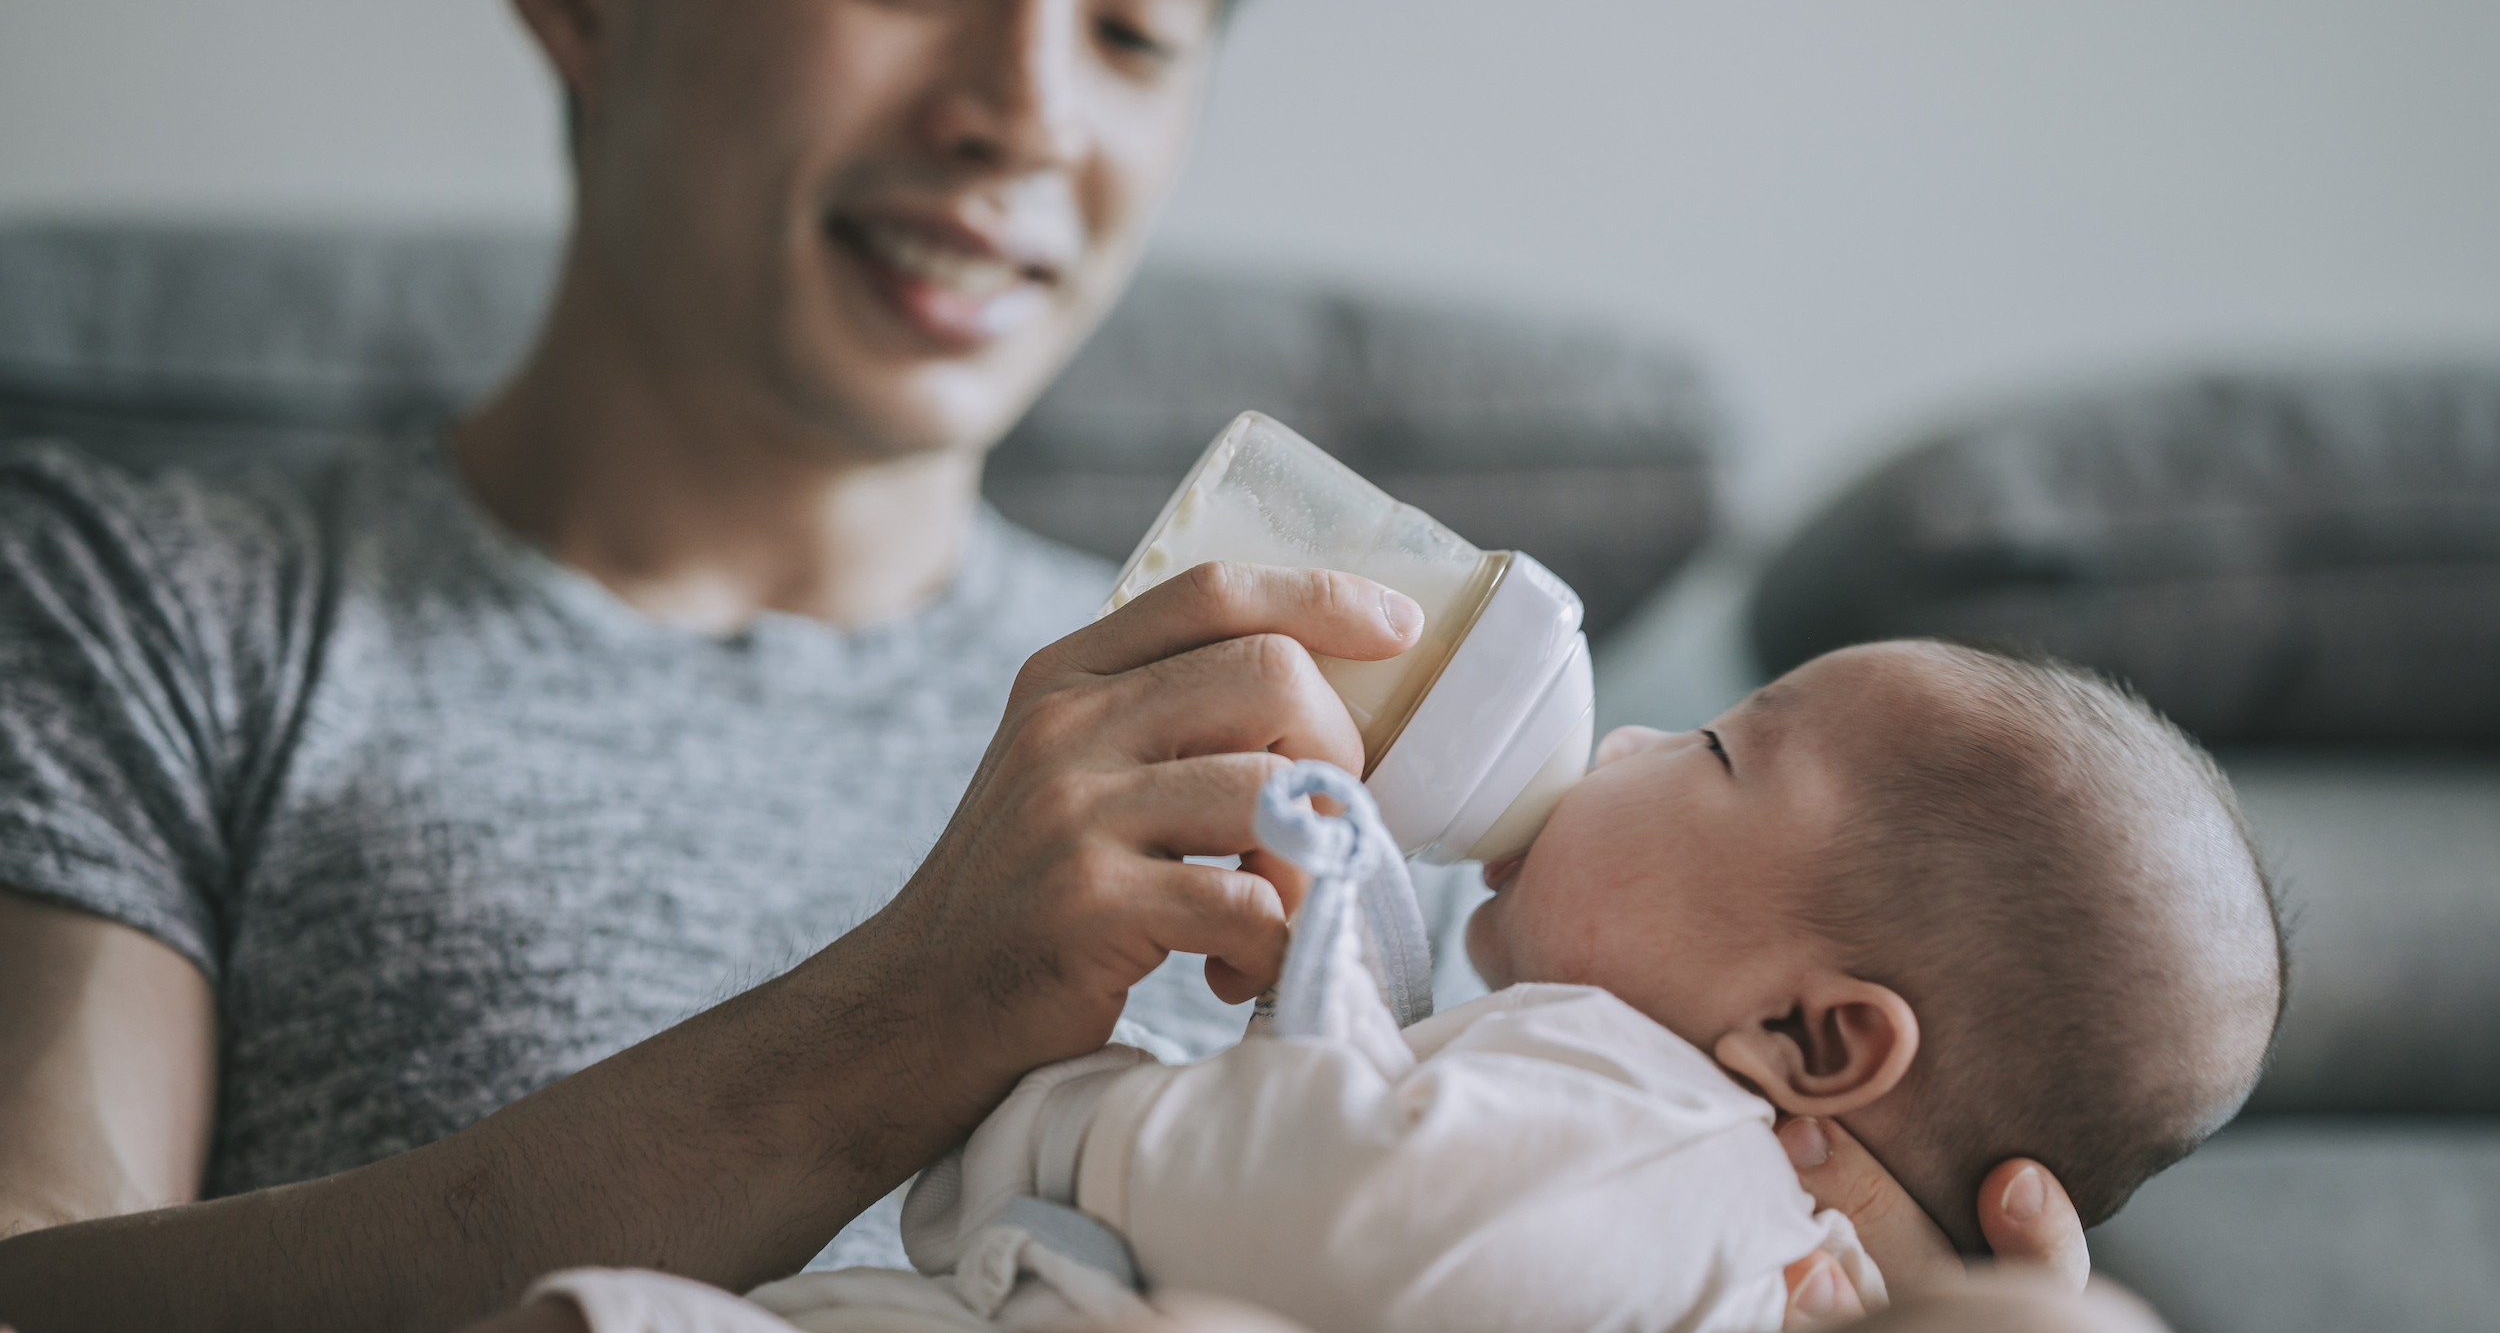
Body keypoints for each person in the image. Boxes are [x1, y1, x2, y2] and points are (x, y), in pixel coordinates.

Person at [0, 0, 2091, 1330]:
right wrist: (904, 1012)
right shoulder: (153, 608)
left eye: (1131, 22)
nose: (1024, 112)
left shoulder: (1339, 743)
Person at [496, 640, 2277, 1332]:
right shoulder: (1641, 1142)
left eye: (1721, 750)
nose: (1638, 732)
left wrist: (1077, 1117)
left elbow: (1354, 1228)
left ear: (1812, 1040)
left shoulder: (1660, 1131)